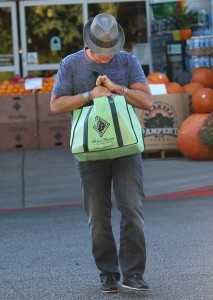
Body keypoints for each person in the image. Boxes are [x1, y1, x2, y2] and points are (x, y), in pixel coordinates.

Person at [50, 13, 153, 294]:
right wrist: (88, 96)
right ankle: (108, 273)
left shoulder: (127, 61)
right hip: (89, 152)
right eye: (101, 51)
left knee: (132, 208)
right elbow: (56, 105)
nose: (107, 56)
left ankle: (133, 274)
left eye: (111, 50)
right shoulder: (70, 64)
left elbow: (146, 100)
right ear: (90, 43)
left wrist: (117, 89)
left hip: (126, 148)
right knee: (97, 215)